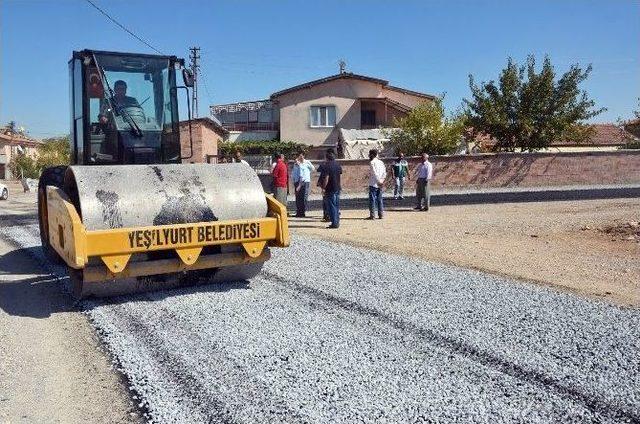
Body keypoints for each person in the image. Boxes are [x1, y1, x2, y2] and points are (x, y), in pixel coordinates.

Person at [318, 149, 342, 229]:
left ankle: (334, 223)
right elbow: (339, 176)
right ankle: (337, 221)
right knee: (337, 206)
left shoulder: (326, 166)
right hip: (337, 188)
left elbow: (326, 178)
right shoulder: (338, 165)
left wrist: (324, 188)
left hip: (330, 188)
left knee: (331, 206)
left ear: (327, 158)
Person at [292, 152, 315, 217]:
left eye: (301, 156)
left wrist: (307, 173)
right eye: (299, 156)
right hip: (297, 181)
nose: (300, 157)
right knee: (298, 197)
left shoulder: (307, 162)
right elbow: (294, 172)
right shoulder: (296, 164)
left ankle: (303, 212)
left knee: (304, 197)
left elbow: (313, 169)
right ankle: (298, 212)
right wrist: (294, 180)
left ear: (304, 156)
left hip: (305, 181)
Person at [367, 149, 387, 219]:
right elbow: (384, 172)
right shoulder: (381, 162)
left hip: (374, 183)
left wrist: (378, 180)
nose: (369, 155)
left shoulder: (372, 162)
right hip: (380, 183)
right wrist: (382, 180)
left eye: (369, 154)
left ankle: (372, 215)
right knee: (379, 199)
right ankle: (381, 214)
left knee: (372, 199)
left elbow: (374, 173)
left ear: (372, 154)